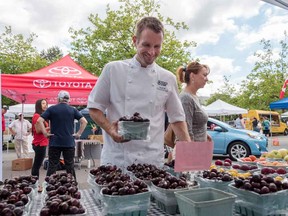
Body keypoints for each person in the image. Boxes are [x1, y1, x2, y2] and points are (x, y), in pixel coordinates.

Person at [87, 16, 191, 168]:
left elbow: (177, 118)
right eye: (146, 45)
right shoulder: (113, 69)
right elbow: (94, 108)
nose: (151, 52)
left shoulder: (167, 78)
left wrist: (189, 152)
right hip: (118, 159)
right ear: (135, 40)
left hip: (152, 160)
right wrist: (111, 130)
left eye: (157, 46)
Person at [36, 90, 87, 180]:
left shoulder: (52, 109)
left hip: (54, 142)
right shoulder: (73, 110)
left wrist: (45, 133)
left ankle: (48, 185)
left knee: (52, 165)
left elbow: (39, 120)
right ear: (68, 99)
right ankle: (73, 185)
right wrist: (78, 133)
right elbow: (84, 122)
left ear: (58, 99)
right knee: (70, 165)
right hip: (69, 142)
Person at [177, 62, 212, 142]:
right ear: (192, 76)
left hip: (198, 149)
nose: (207, 79)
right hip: (192, 151)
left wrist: (205, 135)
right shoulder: (186, 98)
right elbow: (187, 131)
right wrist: (193, 152)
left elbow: (194, 125)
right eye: (204, 75)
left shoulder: (194, 97)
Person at [31, 99, 49, 191]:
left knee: (37, 164)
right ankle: (35, 184)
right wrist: (49, 128)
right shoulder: (37, 116)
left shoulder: (41, 116)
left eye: (46, 103)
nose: (45, 105)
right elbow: (38, 130)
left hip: (42, 142)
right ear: (38, 105)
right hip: (39, 143)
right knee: (37, 165)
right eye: (43, 103)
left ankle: (35, 183)